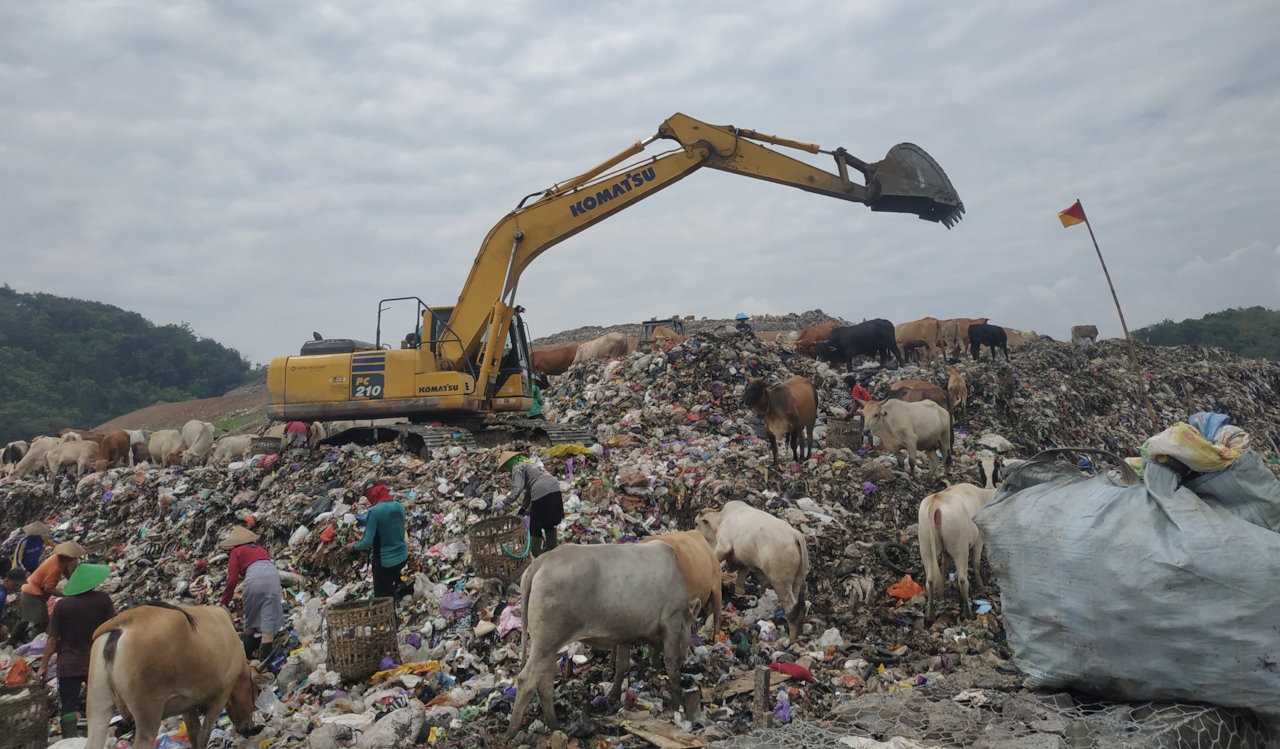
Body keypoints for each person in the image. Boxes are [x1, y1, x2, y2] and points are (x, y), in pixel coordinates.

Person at [36, 562, 115, 738]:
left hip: (68, 663)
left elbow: (52, 639)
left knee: (68, 705)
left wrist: (43, 666)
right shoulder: (102, 599)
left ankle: (69, 739)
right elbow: (113, 628)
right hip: (96, 662)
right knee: (97, 701)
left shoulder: (62, 605)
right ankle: (96, 736)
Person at [218, 525, 284, 662]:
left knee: (250, 621)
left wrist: (224, 601)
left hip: (254, 579)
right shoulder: (259, 548)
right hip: (273, 576)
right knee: (268, 623)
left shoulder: (236, 552)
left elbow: (232, 579)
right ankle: (265, 667)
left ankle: (247, 660)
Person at [352, 479, 409, 601]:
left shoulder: (374, 511)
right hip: (403, 558)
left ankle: (392, 617)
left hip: (384, 563)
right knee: (392, 589)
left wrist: (353, 547)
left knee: (383, 599)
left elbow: (366, 542)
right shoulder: (399, 506)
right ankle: (398, 603)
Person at [16, 540, 84, 642]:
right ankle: (35, 644)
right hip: (33, 592)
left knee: (26, 618)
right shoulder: (55, 567)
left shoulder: (62, 560)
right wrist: (66, 595)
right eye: (73, 557)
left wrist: (78, 586)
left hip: (29, 588)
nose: (74, 559)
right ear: (68, 556)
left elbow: (68, 574)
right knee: (41, 622)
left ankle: (13, 639)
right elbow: (48, 589)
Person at [498, 451, 563, 557]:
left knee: (535, 525)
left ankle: (537, 554)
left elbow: (517, 489)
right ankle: (553, 551)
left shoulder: (517, 468)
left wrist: (502, 504)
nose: (506, 471)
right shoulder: (530, 464)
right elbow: (529, 492)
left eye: (505, 468)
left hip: (542, 491)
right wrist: (522, 510)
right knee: (549, 521)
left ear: (509, 463)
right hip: (554, 488)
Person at [0, 568, 26, 642]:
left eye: (19, 586)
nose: (17, 588)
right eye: (15, 585)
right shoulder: (1, 595)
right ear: (7, 580)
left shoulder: (3, 591)